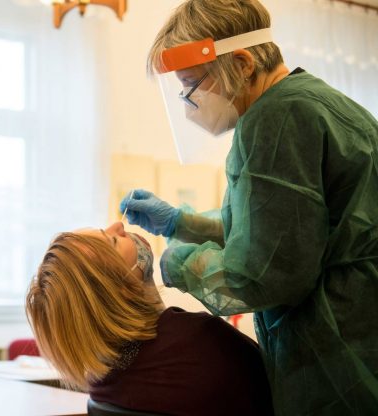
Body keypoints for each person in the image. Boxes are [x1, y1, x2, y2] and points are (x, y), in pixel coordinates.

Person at [119, 0, 378, 414]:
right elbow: (278, 228)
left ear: (241, 63)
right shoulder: (316, 104)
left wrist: (181, 264)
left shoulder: (276, 118)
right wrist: (179, 223)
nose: (188, 102)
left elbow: (263, 274)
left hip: (340, 360)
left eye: (192, 85)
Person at [26, 221, 274, 416]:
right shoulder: (204, 341)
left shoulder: (101, 378)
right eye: (113, 241)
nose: (118, 225)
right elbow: (277, 388)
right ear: (122, 288)